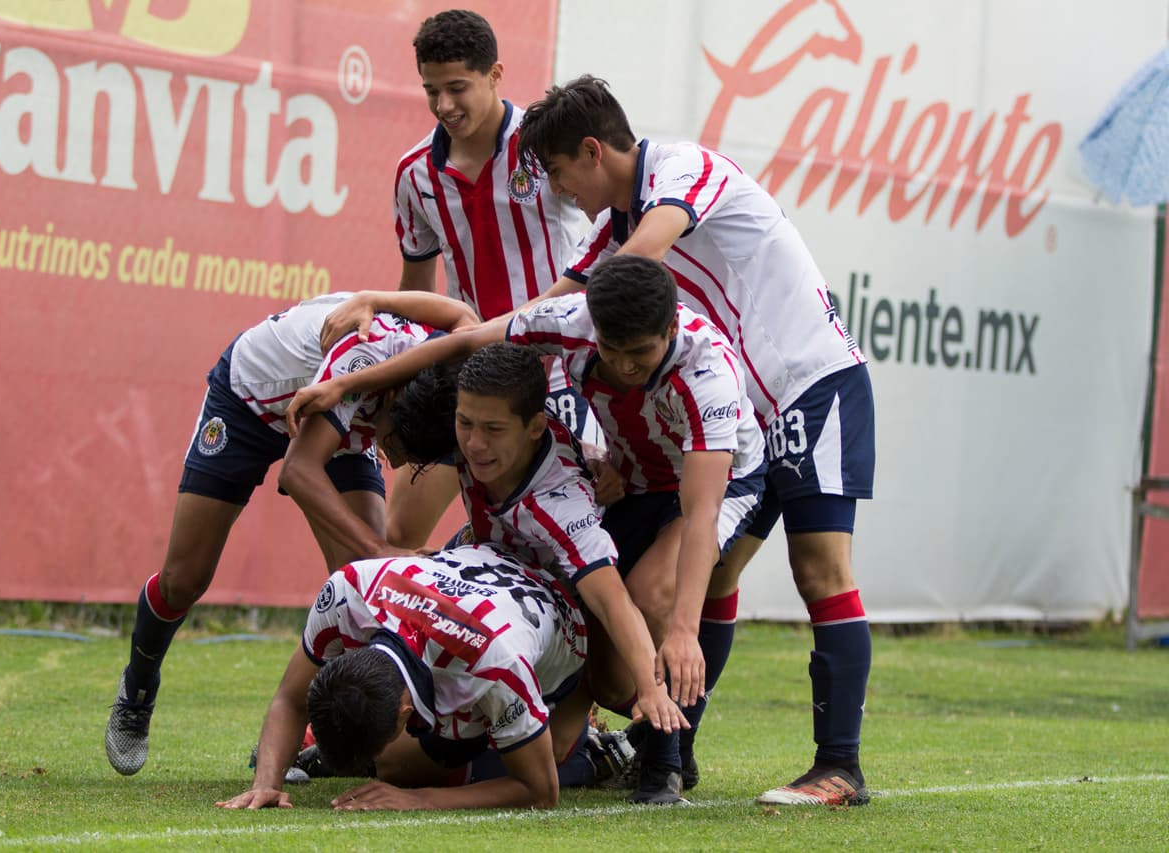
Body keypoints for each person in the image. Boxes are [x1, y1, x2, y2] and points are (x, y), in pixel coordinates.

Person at [515, 76, 877, 807]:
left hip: (812, 382)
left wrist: (555, 309)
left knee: (821, 571)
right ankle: (670, 748)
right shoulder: (612, 229)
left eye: (558, 173)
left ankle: (840, 765)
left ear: (592, 151)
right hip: (747, 414)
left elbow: (632, 265)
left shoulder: (679, 170)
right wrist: (483, 341)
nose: (560, 193)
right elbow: (555, 303)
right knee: (711, 576)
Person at [289, 258, 766, 803]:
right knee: (404, 760)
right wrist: (348, 382)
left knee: (637, 626)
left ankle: (660, 755)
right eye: (466, 427)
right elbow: (462, 333)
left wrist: (680, 637)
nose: (475, 444)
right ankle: (381, 730)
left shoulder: (703, 383)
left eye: (491, 430)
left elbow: (695, 515)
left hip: (708, 483)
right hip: (627, 475)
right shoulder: (556, 337)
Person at [104, 290, 477, 777]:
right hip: (251, 402)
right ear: (388, 399)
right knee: (185, 579)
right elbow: (298, 472)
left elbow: (461, 315)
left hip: (340, 417)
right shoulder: (361, 355)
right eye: (397, 443)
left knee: (365, 583)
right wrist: (380, 549)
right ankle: (138, 685)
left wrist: (372, 296)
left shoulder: (447, 363)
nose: (399, 461)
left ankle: (311, 738)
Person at [325, 9, 595, 552]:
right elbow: (415, 294)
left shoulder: (545, 144)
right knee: (397, 536)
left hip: (563, 373)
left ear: (495, 75)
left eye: (457, 88)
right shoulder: (415, 174)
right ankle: (415, 625)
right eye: (431, 91)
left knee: (569, 535)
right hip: (468, 379)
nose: (444, 105)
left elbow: (606, 240)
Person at [216, 543, 592, 811]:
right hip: (484, 569)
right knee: (402, 761)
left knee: (403, 768)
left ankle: (588, 748)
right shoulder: (347, 589)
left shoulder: (494, 667)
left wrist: (418, 800)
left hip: (567, 638)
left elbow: (541, 792)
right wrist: (266, 783)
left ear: (404, 710)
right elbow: (291, 698)